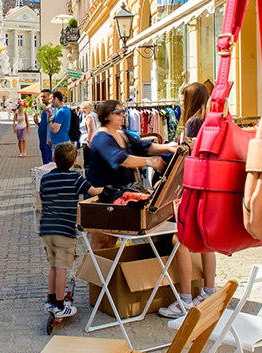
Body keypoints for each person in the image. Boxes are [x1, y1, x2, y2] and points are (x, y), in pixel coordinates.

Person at [159, 82, 217, 319]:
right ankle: (209, 291)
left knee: (180, 238)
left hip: (194, 186)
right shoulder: (214, 119)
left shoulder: (194, 122)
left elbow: (190, 158)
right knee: (206, 240)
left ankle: (184, 298)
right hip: (212, 188)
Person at [87, 100, 178, 248]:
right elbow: (121, 160)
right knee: (101, 242)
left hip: (119, 197)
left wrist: (168, 148)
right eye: (118, 112)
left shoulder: (122, 134)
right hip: (102, 198)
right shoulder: (101, 138)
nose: (123, 115)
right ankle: (95, 270)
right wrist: (150, 162)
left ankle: (111, 270)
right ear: (107, 115)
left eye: (123, 112)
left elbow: (144, 146)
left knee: (113, 240)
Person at [39, 143, 103, 318]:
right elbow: (93, 191)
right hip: (64, 230)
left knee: (53, 266)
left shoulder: (45, 179)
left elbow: (43, 196)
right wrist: (108, 190)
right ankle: (60, 305)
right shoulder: (76, 179)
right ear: (75, 161)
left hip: (46, 229)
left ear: (53, 159)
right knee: (62, 268)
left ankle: (51, 299)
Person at [34, 89, 53, 164]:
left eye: (44, 96)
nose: (42, 98)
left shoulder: (51, 109)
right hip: (42, 140)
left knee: (49, 162)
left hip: (48, 140)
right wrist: (38, 123)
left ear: (50, 97)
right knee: (45, 162)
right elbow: (46, 123)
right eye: (41, 97)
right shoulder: (44, 109)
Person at [80, 101, 100, 167]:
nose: (83, 110)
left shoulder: (89, 116)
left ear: (90, 108)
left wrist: (88, 140)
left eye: (85, 108)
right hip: (94, 140)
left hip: (87, 141)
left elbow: (90, 129)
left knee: (88, 161)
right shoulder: (94, 115)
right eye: (82, 108)